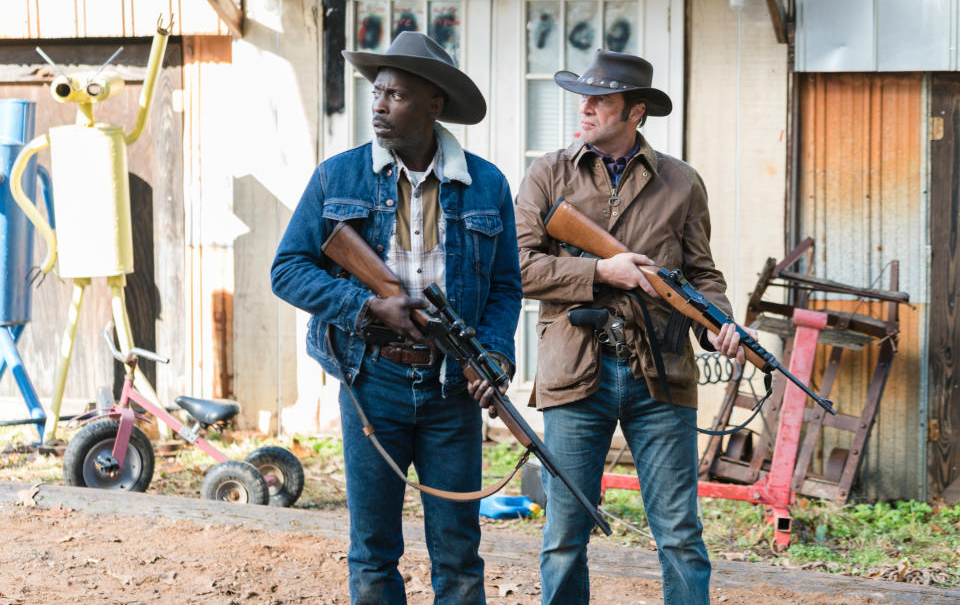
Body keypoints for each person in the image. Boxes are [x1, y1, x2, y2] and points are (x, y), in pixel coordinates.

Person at [271, 31, 522, 605]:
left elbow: (508, 287)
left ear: (434, 105)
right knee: (374, 549)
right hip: (371, 380)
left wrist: (493, 356)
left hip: (451, 388)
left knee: (458, 549)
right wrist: (365, 306)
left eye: (398, 96)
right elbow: (286, 269)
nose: (380, 106)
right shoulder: (339, 176)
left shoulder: (487, 184)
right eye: (377, 93)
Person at [510, 49, 751, 605]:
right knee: (565, 533)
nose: (586, 108)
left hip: (660, 372)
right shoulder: (549, 172)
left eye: (602, 99)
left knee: (680, 534)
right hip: (575, 365)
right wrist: (600, 269)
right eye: (584, 98)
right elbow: (518, 267)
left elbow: (700, 273)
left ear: (635, 111)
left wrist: (718, 324)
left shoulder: (682, 183)